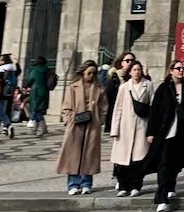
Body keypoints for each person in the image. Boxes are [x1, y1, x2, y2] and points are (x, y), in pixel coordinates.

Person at [148, 58, 184, 211]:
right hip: (165, 132)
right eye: (178, 68)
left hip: (183, 132)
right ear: (171, 71)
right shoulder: (163, 88)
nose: (181, 71)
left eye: (182, 68)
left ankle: (170, 185)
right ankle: (162, 197)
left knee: (176, 163)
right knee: (163, 163)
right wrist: (151, 132)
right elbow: (155, 112)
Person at [57, 61, 107, 195]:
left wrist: (100, 120)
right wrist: (69, 120)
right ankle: (73, 184)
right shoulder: (73, 87)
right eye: (89, 73)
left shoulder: (99, 88)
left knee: (89, 155)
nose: (91, 76)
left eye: (94, 73)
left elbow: (104, 108)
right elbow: (66, 107)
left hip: (92, 125)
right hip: (76, 124)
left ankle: (86, 183)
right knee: (73, 155)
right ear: (83, 72)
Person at [111, 59, 154, 196]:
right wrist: (115, 129)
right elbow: (118, 108)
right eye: (134, 70)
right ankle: (123, 186)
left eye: (139, 70)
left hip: (142, 126)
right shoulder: (124, 87)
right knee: (123, 160)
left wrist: (152, 129)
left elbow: (153, 107)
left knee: (139, 159)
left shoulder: (148, 85)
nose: (137, 72)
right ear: (130, 72)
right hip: (125, 126)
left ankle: (136, 185)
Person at [104, 52, 135, 135]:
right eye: (127, 61)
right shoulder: (115, 77)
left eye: (132, 60)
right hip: (118, 113)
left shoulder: (136, 78)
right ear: (121, 63)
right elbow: (109, 98)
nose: (130, 63)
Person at [0, 53, 19, 139]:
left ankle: (3, 127)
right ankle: (5, 126)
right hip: (9, 92)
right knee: (3, 111)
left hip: (0, 92)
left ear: (4, 61)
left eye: (1, 60)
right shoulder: (13, 68)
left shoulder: (1, 70)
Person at [25, 56, 52, 137]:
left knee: (36, 110)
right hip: (44, 91)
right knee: (38, 109)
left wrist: (26, 86)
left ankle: (44, 129)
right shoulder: (47, 69)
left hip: (36, 91)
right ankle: (34, 130)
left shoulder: (34, 69)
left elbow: (30, 80)